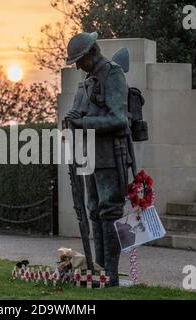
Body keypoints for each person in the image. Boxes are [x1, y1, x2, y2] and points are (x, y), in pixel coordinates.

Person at [65, 31, 131, 287]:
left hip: (109, 155)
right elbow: (78, 111)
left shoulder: (113, 73)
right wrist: (72, 118)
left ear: (93, 52)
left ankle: (110, 274)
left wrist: (84, 122)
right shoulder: (88, 80)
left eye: (80, 60)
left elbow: (119, 119)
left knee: (110, 212)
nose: (78, 66)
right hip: (89, 154)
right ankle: (99, 269)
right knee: (94, 211)